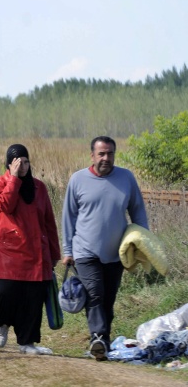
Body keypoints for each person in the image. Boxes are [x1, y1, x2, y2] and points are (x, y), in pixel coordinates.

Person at [62, 136, 148, 361]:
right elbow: (68, 217)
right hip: (85, 251)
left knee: (108, 299)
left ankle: (103, 344)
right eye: (101, 154)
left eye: (110, 153)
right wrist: (67, 250)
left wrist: (143, 243)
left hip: (116, 253)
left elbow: (138, 211)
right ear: (92, 155)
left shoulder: (126, 178)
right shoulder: (78, 180)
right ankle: (97, 337)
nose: (106, 158)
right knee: (95, 294)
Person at [0, 144, 60, 355]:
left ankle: (27, 342)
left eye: (26, 162)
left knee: (33, 298)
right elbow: (6, 205)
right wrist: (13, 179)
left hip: (37, 251)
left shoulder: (39, 187)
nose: (22, 167)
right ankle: (2, 322)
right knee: (6, 292)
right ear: (8, 164)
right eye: (17, 163)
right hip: (10, 252)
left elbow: (49, 222)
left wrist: (54, 253)